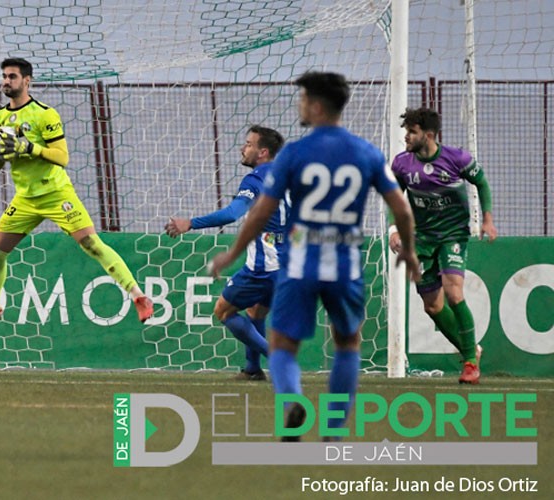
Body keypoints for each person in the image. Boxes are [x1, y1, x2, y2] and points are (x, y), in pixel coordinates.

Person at [210, 72, 420, 440]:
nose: (300, 104)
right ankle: (333, 430)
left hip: (301, 259)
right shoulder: (366, 152)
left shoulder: (295, 153)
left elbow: (260, 212)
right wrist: (412, 253)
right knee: (347, 341)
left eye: (304, 98)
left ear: (317, 105)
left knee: (281, 343)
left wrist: (233, 252)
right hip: (344, 260)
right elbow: (401, 209)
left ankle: (292, 403)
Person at [0, 57, 153, 334]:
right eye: (4, 76)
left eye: (12, 76)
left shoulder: (44, 114)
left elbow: (62, 157)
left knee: (91, 244)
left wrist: (30, 148)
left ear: (26, 80)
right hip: (25, 199)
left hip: (55, 193)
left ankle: (139, 296)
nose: (6, 81)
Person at [165, 126, 287, 381]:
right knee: (255, 311)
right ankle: (252, 369)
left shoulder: (256, 179)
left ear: (263, 152)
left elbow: (232, 213)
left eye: (249, 144)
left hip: (264, 266)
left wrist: (190, 223)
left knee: (223, 311)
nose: (243, 149)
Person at [389, 107, 497, 384]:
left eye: (411, 132)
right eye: (406, 131)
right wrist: (394, 229)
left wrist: (487, 219)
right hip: (422, 239)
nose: (406, 137)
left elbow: (482, 183)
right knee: (433, 307)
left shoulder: (456, 158)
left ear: (428, 135)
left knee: (454, 294)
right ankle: (472, 349)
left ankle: (470, 363)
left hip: (452, 235)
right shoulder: (402, 164)